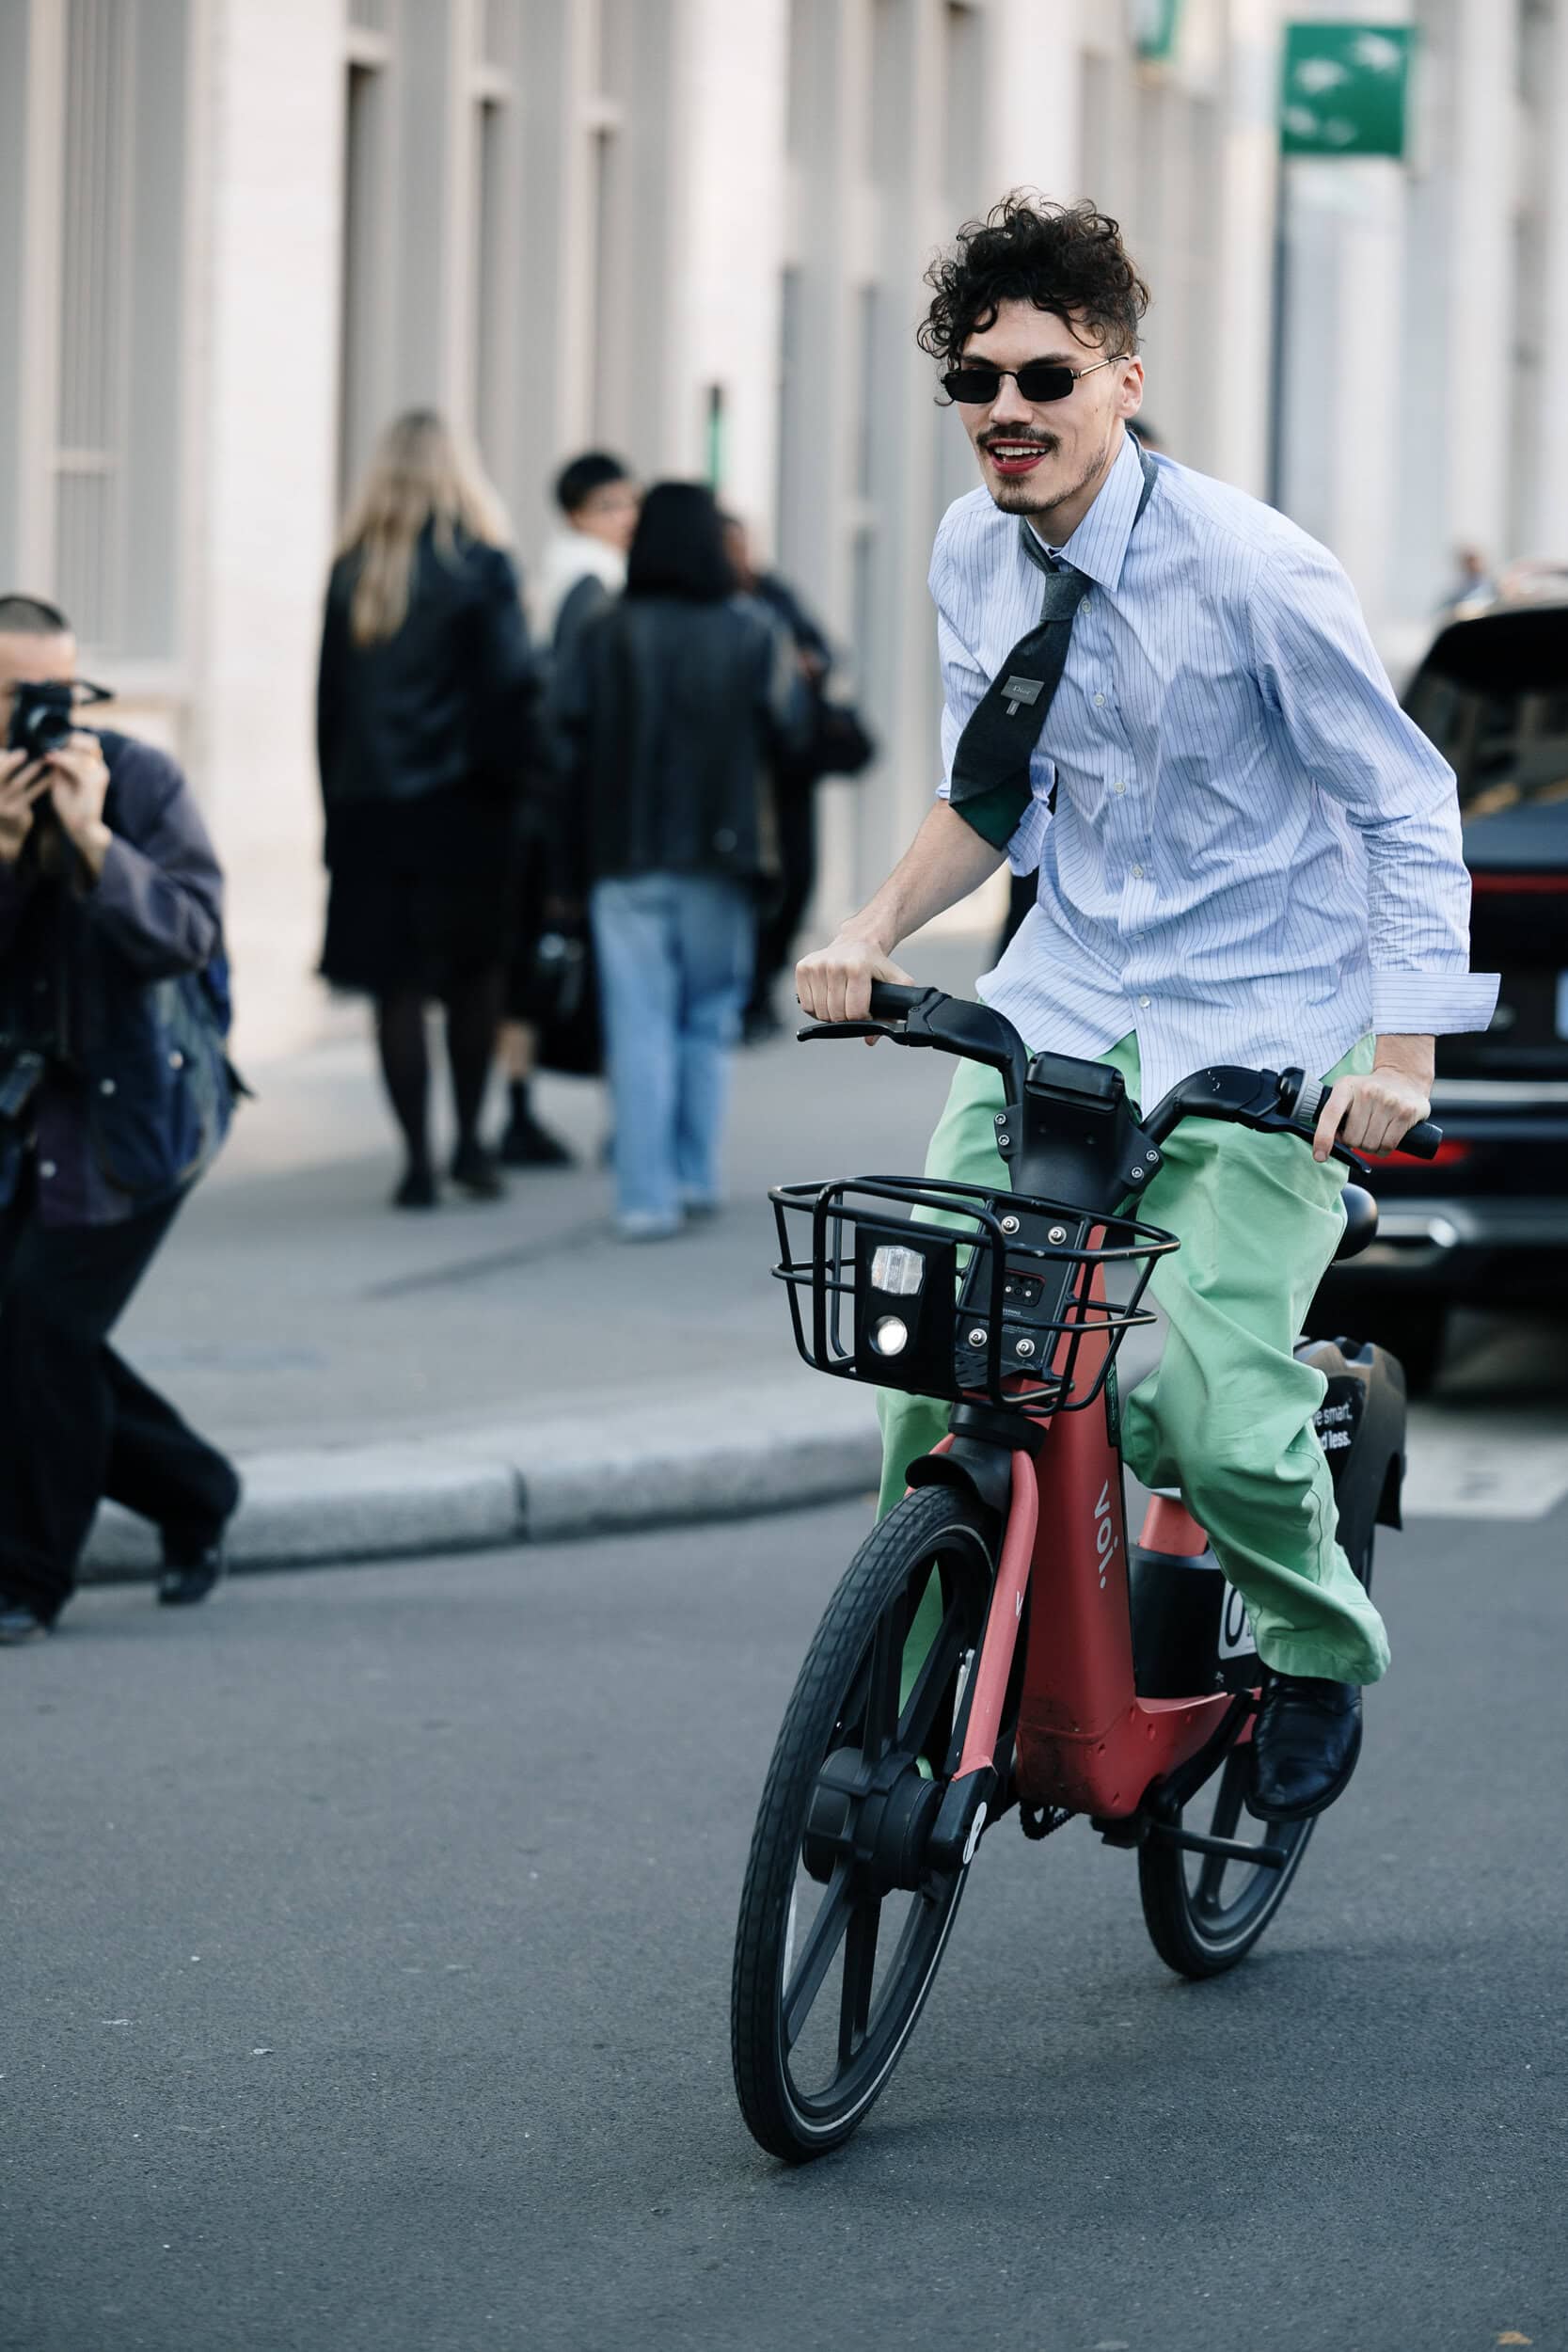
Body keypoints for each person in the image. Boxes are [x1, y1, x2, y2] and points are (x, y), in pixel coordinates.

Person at [796, 194, 1497, 1823]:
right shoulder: (972, 549)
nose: (1005, 414)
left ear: (1120, 374)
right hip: (1065, 996)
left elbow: (1405, 807)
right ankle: (902, 1708)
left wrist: (1395, 1062)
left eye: (1043, 378)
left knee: (1203, 1404)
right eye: (973, 383)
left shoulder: (1253, 570)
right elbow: (989, 790)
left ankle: (1318, 1647)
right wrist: (870, 926)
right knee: (924, 1350)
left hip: (1262, 1016)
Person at [0, 596, 242, 1642]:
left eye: (63, 694)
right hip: (22, 1117)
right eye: (22, 698)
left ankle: (28, 1577)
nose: (49, 723)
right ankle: (196, 1494)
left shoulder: (138, 780)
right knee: (34, 1333)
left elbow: (186, 932)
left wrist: (94, 843)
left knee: (44, 1330)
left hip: (137, 1112)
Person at [555, 482, 807, 1239]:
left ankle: (644, 1196)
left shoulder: (602, 630)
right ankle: (695, 1174)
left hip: (623, 854)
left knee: (638, 1023)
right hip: (722, 854)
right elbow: (790, 732)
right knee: (706, 1016)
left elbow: (560, 736)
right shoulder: (750, 628)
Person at [317, 410, 538, 1209]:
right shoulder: (482, 566)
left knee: (396, 991)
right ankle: (471, 1145)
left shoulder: (353, 571)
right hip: (468, 811)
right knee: (474, 983)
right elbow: (513, 691)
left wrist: (335, 820)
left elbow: (329, 711)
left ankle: (415, 1161)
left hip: (372, 813)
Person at [495, 451, 640, 1168]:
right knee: (590, 962)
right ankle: (619, 1120)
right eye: (612, 505)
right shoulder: (595, 585)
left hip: (541, 802)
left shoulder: (556, 578)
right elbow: (578, 710)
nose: (628, 517)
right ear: (579, 512)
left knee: (536, 962)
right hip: (570, 809)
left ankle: (520, 1110)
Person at [722, 515, 838, 1045]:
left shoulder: (772, 594)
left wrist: (802, 662)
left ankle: (763, 985)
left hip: (791, 770)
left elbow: (826, 652)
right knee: (754, 889)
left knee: (797, 879)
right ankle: (745, 994)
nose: (741, 556)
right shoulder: (714, 606)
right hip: (744, 775)